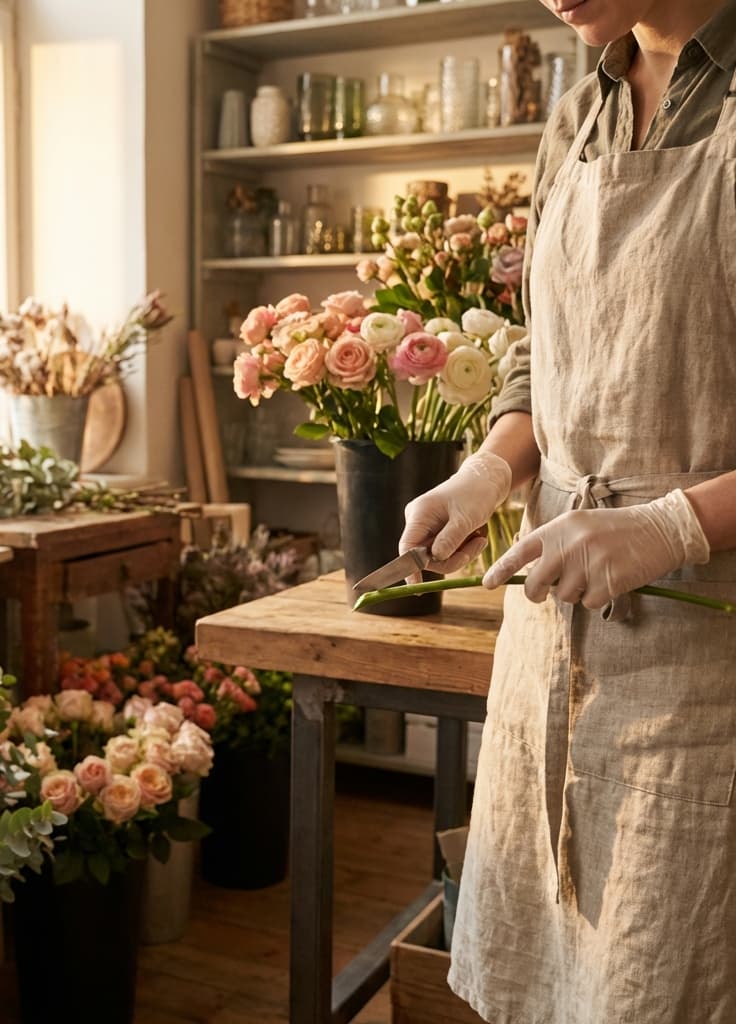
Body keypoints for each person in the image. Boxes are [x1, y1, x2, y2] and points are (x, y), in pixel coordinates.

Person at [397, 0, 736, 1020]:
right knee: (549, 977)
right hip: (553, 646)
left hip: (704, 669)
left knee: (663, 978)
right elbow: (538, 352)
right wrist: (489, 473)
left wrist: (669, 527)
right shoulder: (579, 100)